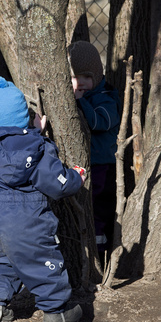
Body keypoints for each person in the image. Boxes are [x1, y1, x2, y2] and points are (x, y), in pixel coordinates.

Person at [0, 76, 86, 322]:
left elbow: (14, 151)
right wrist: (76, 177)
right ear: (25, 116)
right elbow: (57, 184)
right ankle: (57, 312)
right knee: (41, 260)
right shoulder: (38, 146)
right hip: (28, 216)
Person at [68, 41, 121, 254]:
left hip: (102, 167)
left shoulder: (104, 98)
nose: (80, 83)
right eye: (74, 77)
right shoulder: (81, 97)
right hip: (84, 166)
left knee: (99, 210)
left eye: (86, 77)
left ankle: (100, 251)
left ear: (96, 77)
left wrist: (82, 103)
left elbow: (101, 123)